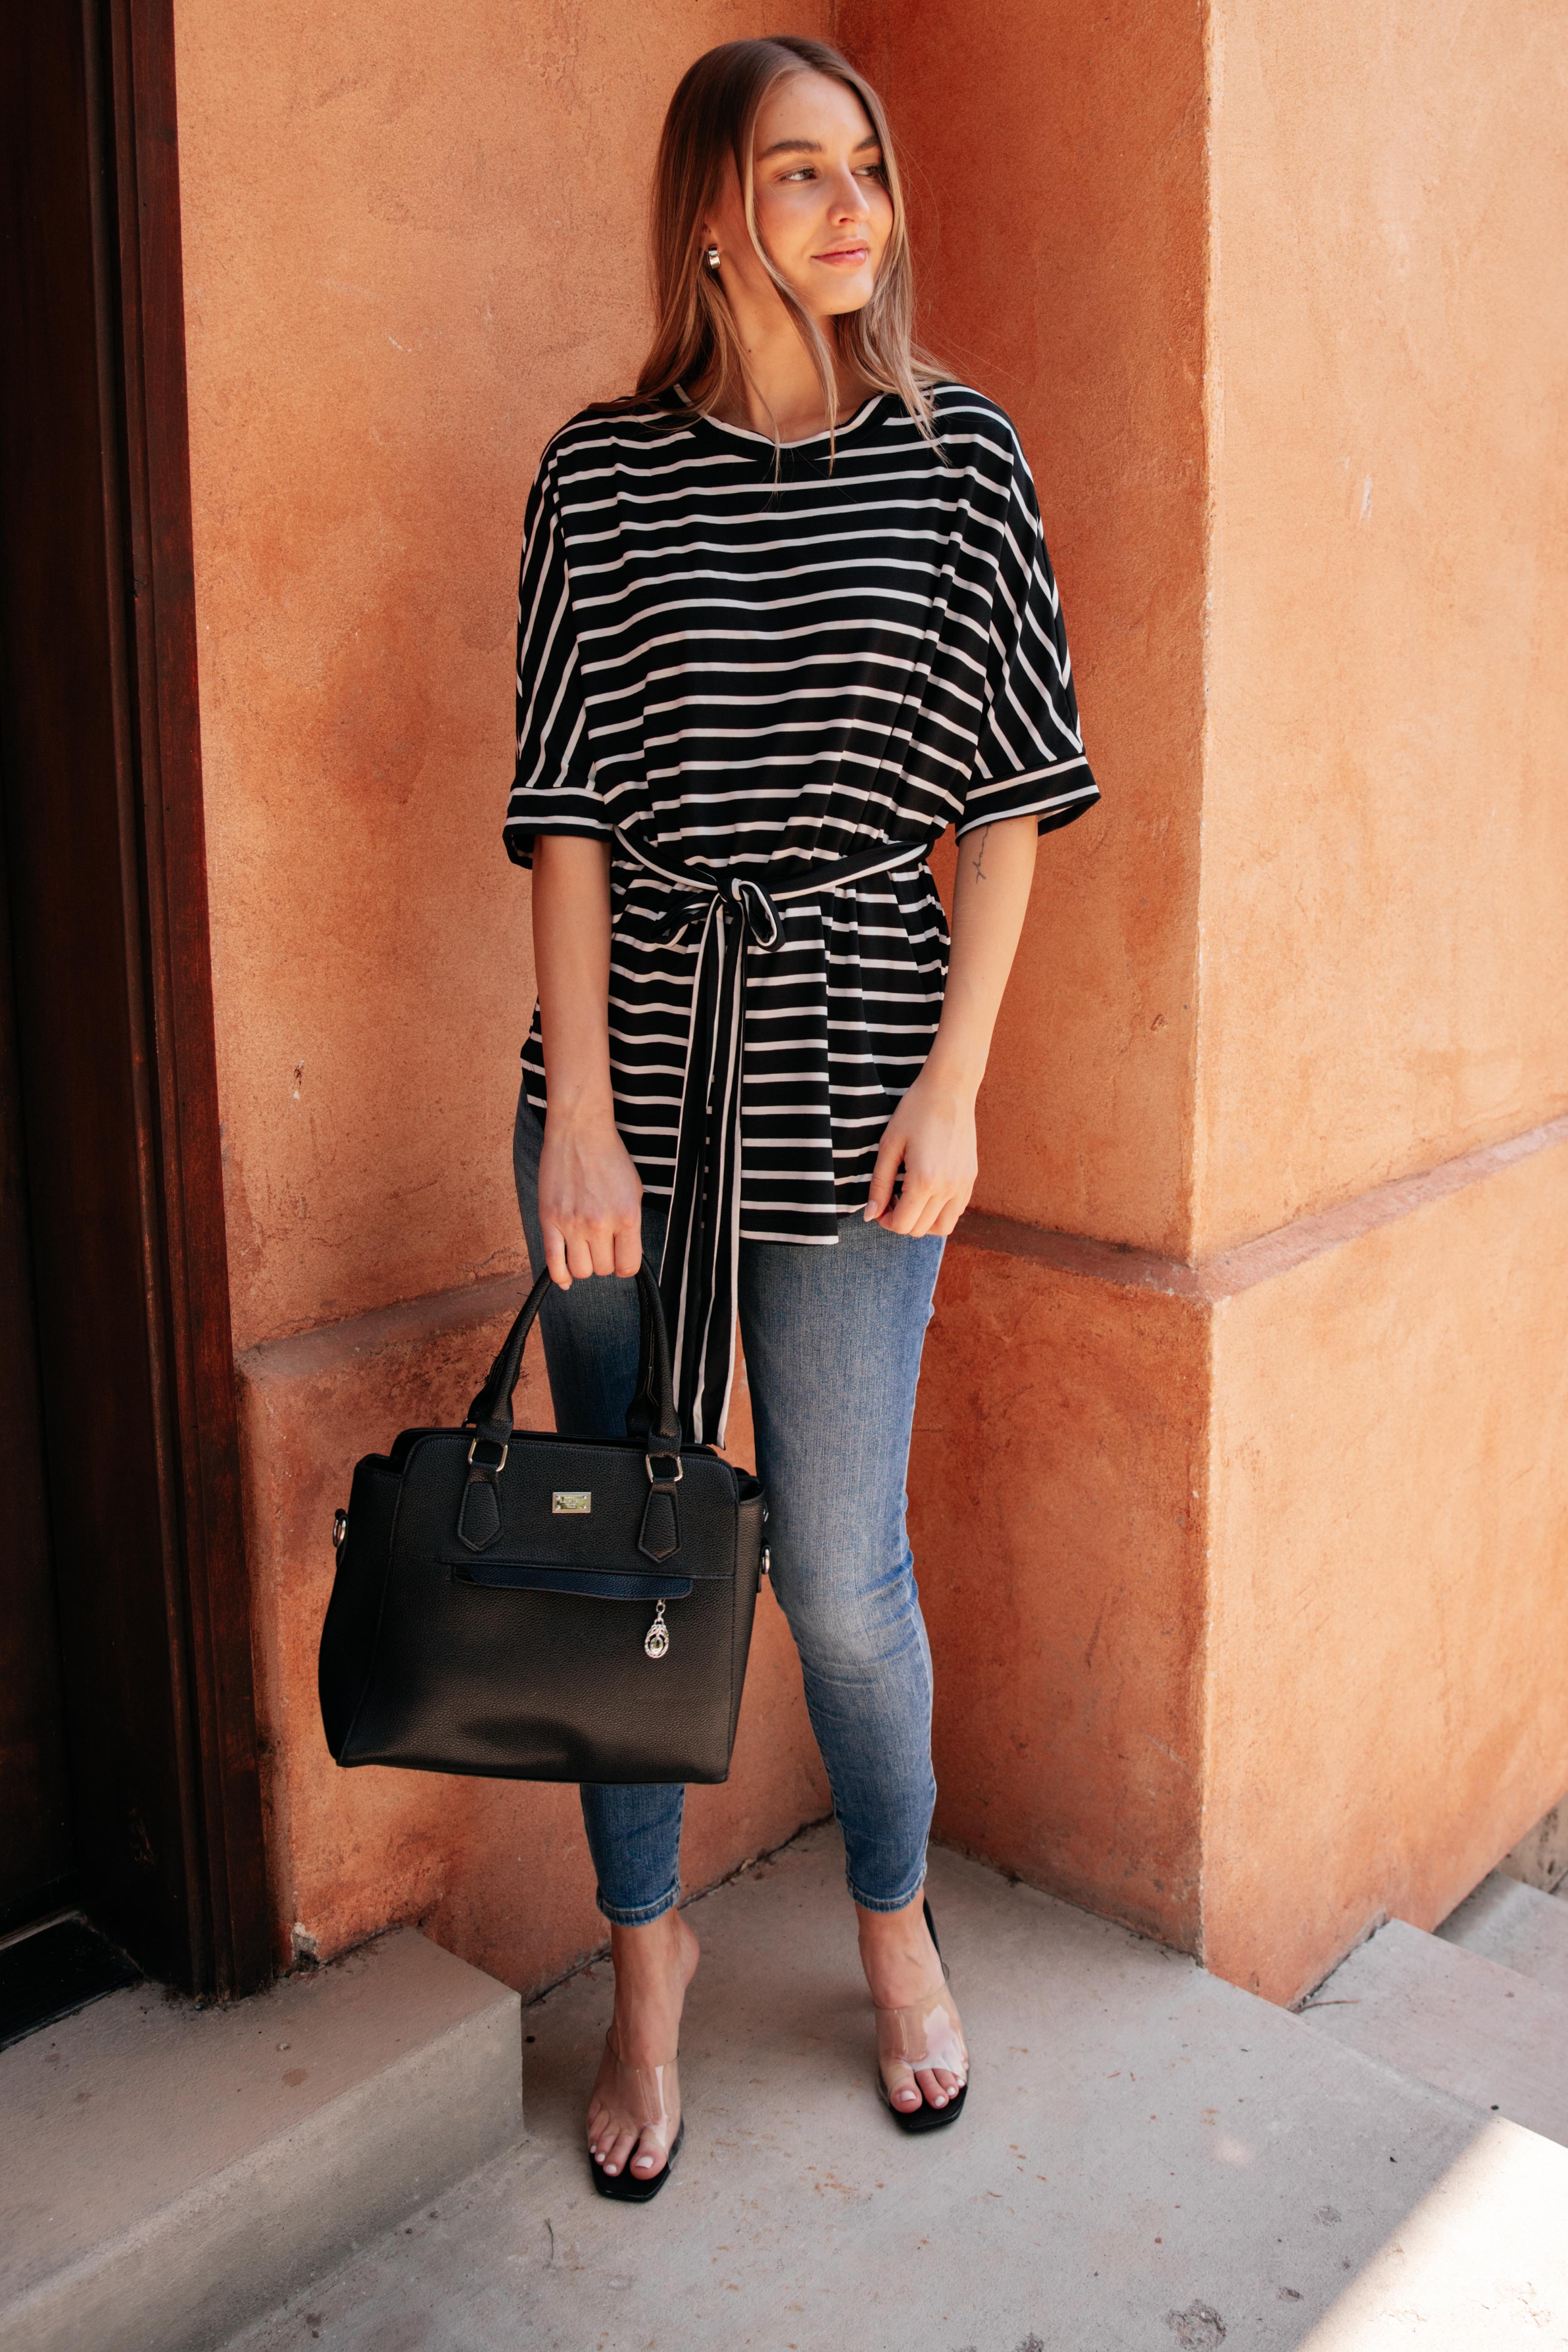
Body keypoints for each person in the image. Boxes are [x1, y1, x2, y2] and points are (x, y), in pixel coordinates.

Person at [506, 33, 1098, 2200]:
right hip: (635, 1087)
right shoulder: (596, 474)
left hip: (863, 1075)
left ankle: (892, 1922)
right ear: (709, 212)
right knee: (629, 1561)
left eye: (868, 168)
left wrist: (959, 1085)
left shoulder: (957, 454)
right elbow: (566, 809)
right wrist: (580, 1112)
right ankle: (644, 1964)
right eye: (800, 173)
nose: (856, 211)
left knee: (841, 1575)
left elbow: (1011, 799)